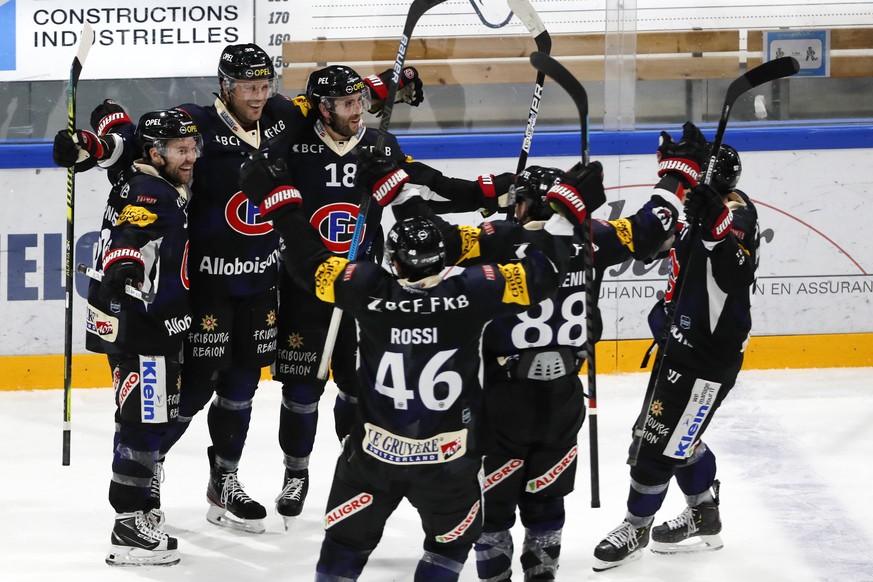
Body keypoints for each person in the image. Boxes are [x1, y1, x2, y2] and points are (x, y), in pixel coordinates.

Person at [53, 44, 425, 534]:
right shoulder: (196, 122)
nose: (258, 94)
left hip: (260, 283)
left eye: (264, 85)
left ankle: (223, 480)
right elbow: (145, 140)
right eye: (248, 86)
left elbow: (326, 102)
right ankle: (149, 474)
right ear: (226, 86)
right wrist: (93, 148)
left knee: (242, 388)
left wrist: (385, 87)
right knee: (193, 389)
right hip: (208, 287)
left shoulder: (279, 114)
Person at [236, 145, 604, 581]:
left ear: (391, 260)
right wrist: (567, 214)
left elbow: (307, 262)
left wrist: (280, 200)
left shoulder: (365, 287)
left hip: (374, 459)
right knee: (447, 550)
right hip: (449, 467)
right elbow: (544, 273)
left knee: (345, 547)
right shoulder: (473, 290)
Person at [271, 64, 514, 527]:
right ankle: (295, 472)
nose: (358, 110)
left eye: (361, 100)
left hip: (361, 288)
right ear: (323, 109)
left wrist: (493, 191)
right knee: (301, 389)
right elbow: (281, 120)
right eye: (346, 103)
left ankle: (352, 459)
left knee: (355, 387)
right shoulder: (297, 140)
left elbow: (427, 188)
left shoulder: (379, 144)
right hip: (305, 285)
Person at [461, 159, 687, 581]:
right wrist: (677, 174)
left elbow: (420, 245)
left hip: (501, 403)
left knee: (492, 512)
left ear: (525, 206)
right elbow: (654, 226)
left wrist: (397, 186)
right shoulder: (592, 237)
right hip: (562, 402)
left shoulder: (491, 238)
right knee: (546, 504)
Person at [591, 138, 759, 571]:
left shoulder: (737, 216)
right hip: (680, 347)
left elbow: (734, 270)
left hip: (706, 358)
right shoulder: (698, 208)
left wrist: (716, 227)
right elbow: (657, 243)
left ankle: (636, 526)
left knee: (656, 447)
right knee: (669, 435)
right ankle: (704, 512)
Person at [79, 109, 201, 567]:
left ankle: (139, 507)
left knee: (148, 416)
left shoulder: (136, 167)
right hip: (143, 324)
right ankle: (128, 524)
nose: (190, 158)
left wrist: (104, 124)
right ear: (156, 153)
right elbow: (132, 232)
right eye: (181, 151)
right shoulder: (153, 193)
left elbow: (115, 121)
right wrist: (124, 263)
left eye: (193, 149)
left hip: (133, 319)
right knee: (142, 420)